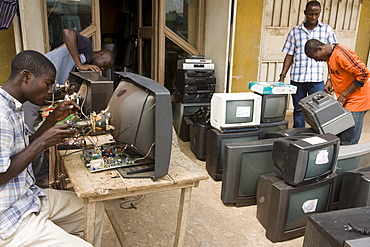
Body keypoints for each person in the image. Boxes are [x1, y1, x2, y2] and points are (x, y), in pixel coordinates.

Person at [0, 50, 104, 246]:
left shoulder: (12, 106)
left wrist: (52, 120)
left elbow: (23, 147)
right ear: (26, 77)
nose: (51, 91)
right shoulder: (1, 115)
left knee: (93, 210)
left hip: (29, 198)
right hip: (9, 219)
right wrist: (42, 142)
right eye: (48, 84)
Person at [24, 28, 115, 186]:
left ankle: (39, 174)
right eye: (104, 64)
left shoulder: (82, 64)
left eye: (106, 69)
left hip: (38, 90)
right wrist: (80, 64)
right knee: (33, 138)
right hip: (31, 88)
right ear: (100, 54)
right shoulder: (86, 47)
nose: (102, 68)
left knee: (37, 134)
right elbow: (67, 32)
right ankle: (39, 180)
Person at [278, 0, 337, 128]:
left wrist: (330, 79)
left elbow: (333, 55)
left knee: (320, 109)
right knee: (299, 110)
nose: (313, 17)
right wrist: (282, 75)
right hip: (297, 78)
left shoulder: (326, 30)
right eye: (311, 14)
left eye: (316, 14)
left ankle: (319, 136)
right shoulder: (295, 32)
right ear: (305, 13)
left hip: (316, 80)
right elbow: (289, 54)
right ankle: (299, 137)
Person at [304, 39, 370, 145]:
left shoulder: (341, 54)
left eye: (315, 57)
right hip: (346, 100)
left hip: (358, 100)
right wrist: (331, 80)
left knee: (349, 138)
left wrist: (344, 94)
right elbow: (341, 70)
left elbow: (364, 73)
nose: (316, 61)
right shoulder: (329, 55)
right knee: (340, 132)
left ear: (320, 49)